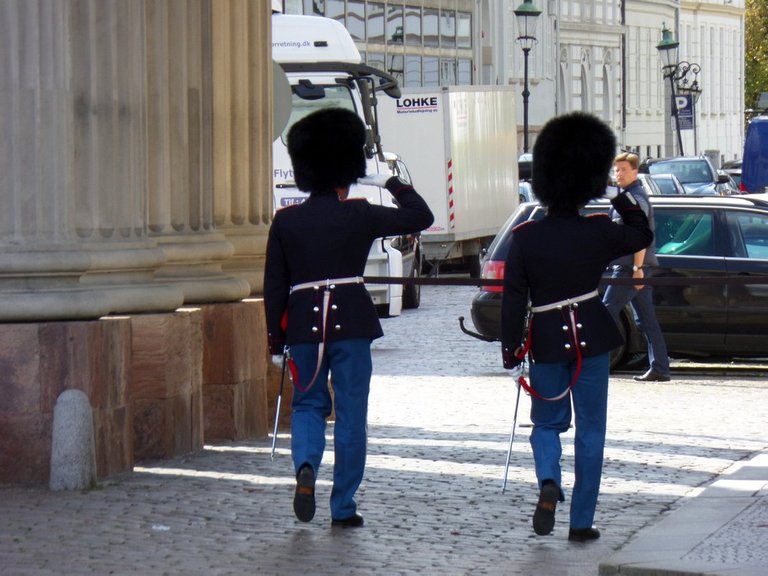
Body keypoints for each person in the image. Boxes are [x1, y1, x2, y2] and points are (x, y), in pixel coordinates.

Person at [263, 107, 434, 528]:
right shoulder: (359, 213)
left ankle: (305, 466)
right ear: (347, 167)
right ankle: (343, 506)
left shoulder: (286, 221)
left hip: (304, 324)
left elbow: (274, 286)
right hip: (351, 322)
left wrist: (274, 340)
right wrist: (391, 181)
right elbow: (421, 216)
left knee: (306, 405)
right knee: (352, 413)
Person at [500, 112, 653, 542]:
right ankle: (581, 521)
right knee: (591, 429)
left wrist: (511, 347)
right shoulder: (599, 230)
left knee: (546, 424)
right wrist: (617, 192)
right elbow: (641, 233)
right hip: (593, 333)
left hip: (547, 339)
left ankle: (549, 479)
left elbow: (514, 299)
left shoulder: (527, 236)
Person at [602, 152, 671, 382]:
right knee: (646, 319)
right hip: (632, 267)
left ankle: (598, 363)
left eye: (623, 170)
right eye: (616, 170)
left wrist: (636, 270)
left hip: (629, 269)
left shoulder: (636, 199)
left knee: (606, 311)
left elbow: (640, 236)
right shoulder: (626, 197)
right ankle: (660, 367)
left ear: (635, 171)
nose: (618, 174)